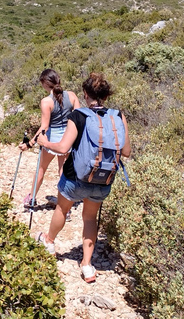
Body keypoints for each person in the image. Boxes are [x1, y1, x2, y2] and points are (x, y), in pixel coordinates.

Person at [34, 73, 131, 283]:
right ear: (105, 95)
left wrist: (44, 142)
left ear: (85, 94)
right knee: (89, 218)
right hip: (104, 179)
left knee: (62, 208)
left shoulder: (79, 116)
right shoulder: (118, 115)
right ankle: (87, 265)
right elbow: (127, 152)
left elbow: (63, 147)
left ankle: (49, 241)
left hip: (75, 178)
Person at [19, 69, 80, 209]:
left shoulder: (46, 102)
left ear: (45, 84)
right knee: (63, 172)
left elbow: (44, 127)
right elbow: (78, 118)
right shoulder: (72, 96)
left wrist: (29, 144)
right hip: (68, 138)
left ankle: (32, 198)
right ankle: (66, 205)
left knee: (41, 169)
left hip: (52, 139)